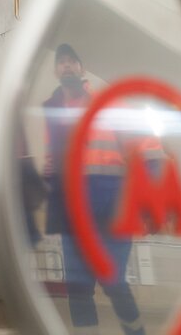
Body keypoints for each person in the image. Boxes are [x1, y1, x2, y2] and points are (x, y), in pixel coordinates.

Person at [42, 43, 147, 335]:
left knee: (114, 282)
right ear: (56, 71)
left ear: (81, 69)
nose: (66, 66)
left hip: (111, 205)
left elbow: (140, 143)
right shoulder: (52, 110)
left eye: (71, 61)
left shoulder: (106, 101)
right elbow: (52, 157)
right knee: (78, 285)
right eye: (61, 62)